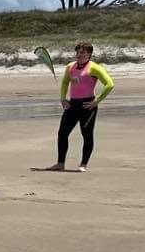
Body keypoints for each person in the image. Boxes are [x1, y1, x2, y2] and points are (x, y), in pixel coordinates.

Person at [46, 43, 115, 172]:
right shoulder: (70, 67)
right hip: (72, 105)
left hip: (87, 106)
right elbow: (65, 82)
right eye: (78, 52)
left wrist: (97, 101)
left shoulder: (94, 68)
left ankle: (83, 164)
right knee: (62, 133)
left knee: (87, 135)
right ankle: (60, 164)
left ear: (89, 54)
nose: (79, 55)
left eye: (83, 53)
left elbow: (109, 84)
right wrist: (62, 98)